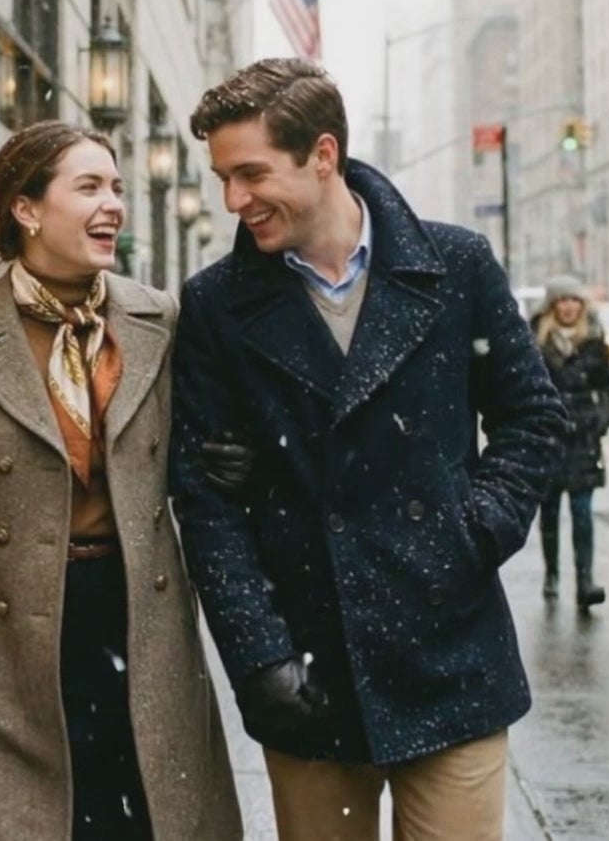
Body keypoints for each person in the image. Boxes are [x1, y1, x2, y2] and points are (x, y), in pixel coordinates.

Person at [170, 58, 566, 841]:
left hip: (450, 656)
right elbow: (205, 499)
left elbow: (533, 420)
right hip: (308, 672)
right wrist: (260, 656)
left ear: (323, 154)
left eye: (251, 174)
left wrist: (472, 529)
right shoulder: (216, 304)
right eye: (222, 178)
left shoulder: (456, 266)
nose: (233, 201)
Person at [0, 121, 241, 840]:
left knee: (140, 818)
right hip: (6, 641)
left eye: (116, 187)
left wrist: (230, 461)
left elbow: (195, 459)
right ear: (26, 209)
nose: (113, 205)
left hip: (139, 620)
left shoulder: (159, 321)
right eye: (89, 188)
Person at [531, 276, 609, 610]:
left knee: (582, 512)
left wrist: (601, 420)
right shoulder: (537, 342)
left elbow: (606, 387)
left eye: (574, 300)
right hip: (549, 437)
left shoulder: (593, 341)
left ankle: (585, 580)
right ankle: (551, 574)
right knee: (549, 512)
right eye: (562, 300)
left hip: (583, 437)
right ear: (552, 306)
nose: (568, 307)